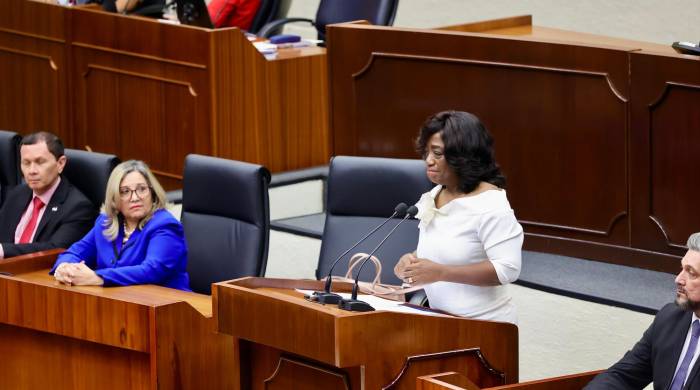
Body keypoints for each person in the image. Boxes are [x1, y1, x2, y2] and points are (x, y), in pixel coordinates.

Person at [394, 111, 523, 324]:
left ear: (462, 156)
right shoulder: (437, 193)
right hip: (442, 321)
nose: (428, 161)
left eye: (437, 153)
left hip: (484, 326)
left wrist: (442, 272)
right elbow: (454, 246)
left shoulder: (490, 204)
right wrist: (411, 260)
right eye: (426, 152)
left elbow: (507, 269)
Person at [51, 160, 190, 291]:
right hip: (119, 303)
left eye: (141, 189)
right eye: (125, 192)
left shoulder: (165, 225)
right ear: (114, 199)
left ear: (152, 193)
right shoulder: (106, 223)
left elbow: (152, 270)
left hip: (169, 307)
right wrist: (65, 268)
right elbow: (75, 252)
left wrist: (97, 278)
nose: (135, 197)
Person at [585, 233, 700, 390]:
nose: (678, 279)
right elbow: (623, 376)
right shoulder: (669, 318)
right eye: (682, 269)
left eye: (691, 273)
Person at [0, 132, 95, 259]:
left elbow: (56, 249)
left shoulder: (78, 207)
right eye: (26, 163)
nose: (32, 171)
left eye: (40, 162)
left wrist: (3, 251)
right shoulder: (16, 195)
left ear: (60, 163)